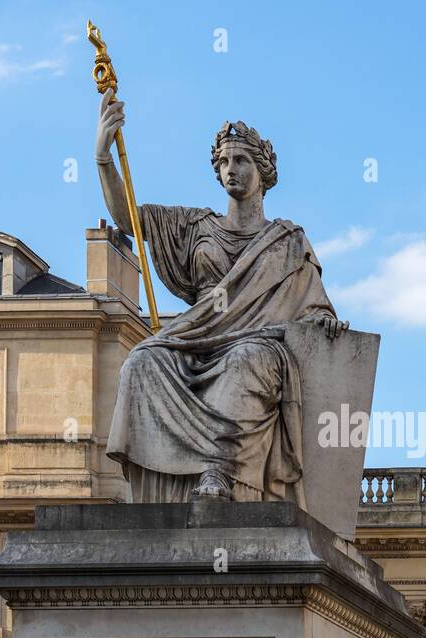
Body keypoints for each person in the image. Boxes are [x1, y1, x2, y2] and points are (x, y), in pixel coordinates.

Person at [95, 92, 347, 502]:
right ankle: (153, 491)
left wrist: (324, 323)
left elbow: (313, 307)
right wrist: (104, 157)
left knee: (246, 360)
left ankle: (219, 470)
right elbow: (128, 219)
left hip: (259, 344)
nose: (232, 170)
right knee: (141, 360)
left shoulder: (287, 241)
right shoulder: (195, 225)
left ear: (263, 171)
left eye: (242, 161)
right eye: (225, 162)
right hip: (197, 339)